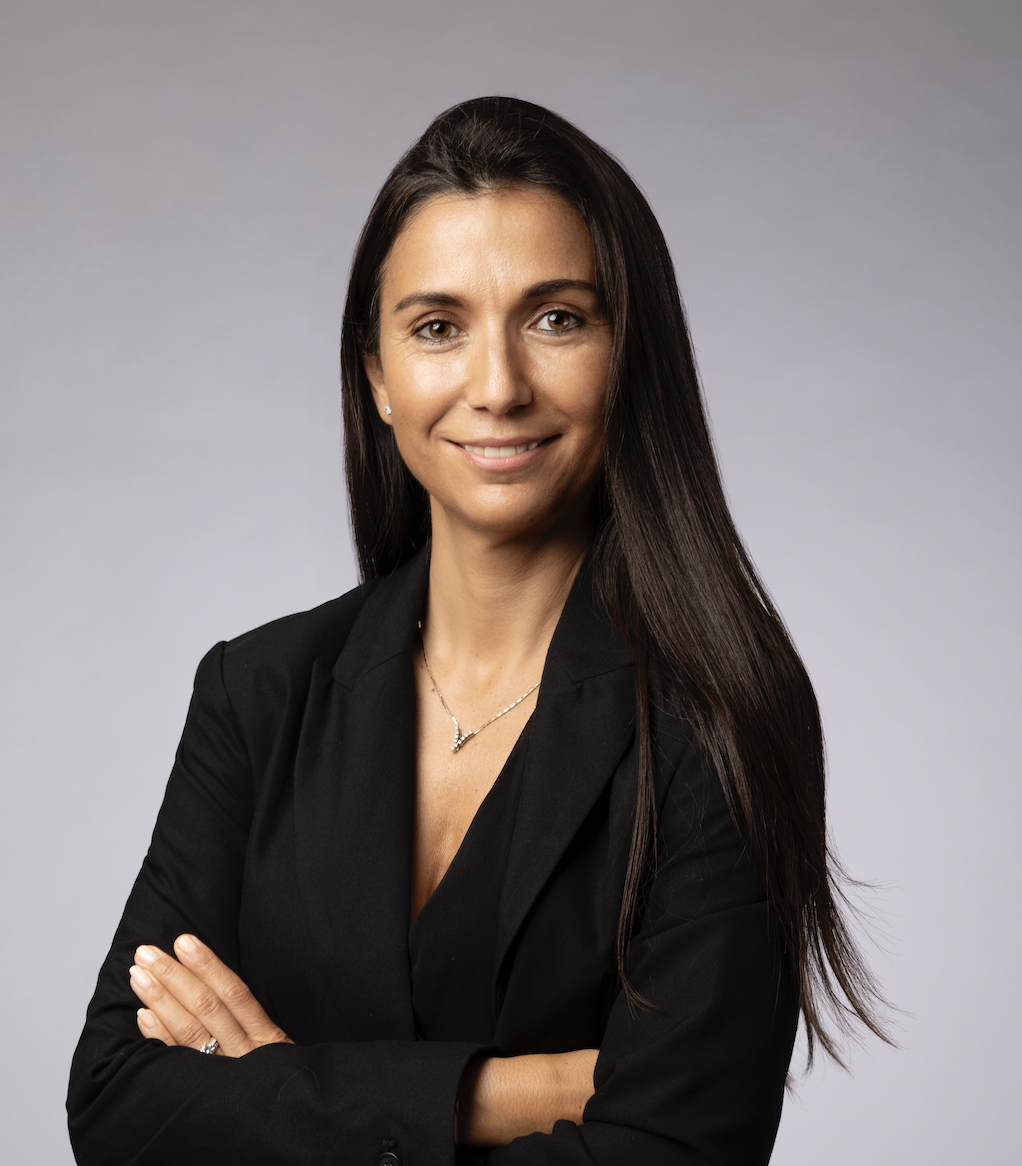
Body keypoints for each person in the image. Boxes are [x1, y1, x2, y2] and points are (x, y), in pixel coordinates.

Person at [67, 96, 888, 1165]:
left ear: (627, 352)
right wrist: (501, 1094)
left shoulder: (719, 716)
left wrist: (278, 1088)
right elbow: (117, 1100)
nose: (497, 387)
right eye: (437, 327)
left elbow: (673, 1149)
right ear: (376, 374)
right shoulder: (257, 692)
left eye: (557, 319)